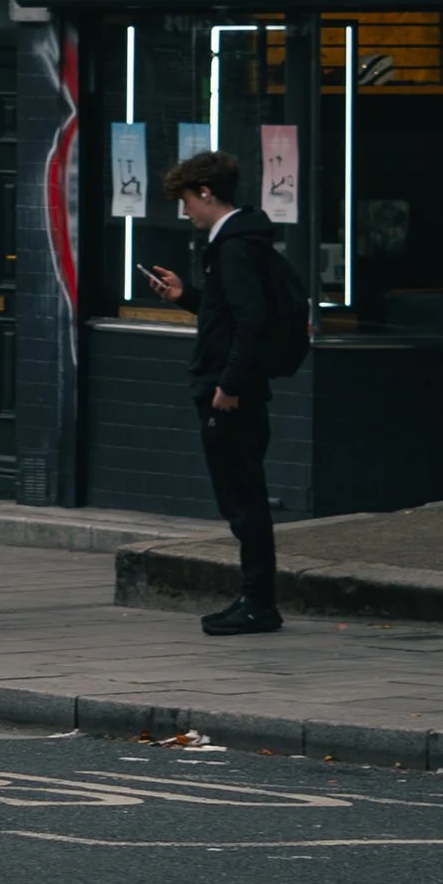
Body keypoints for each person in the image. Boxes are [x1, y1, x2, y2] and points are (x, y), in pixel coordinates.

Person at [138, 150, 282, 636]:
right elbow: (230, 315)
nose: (185, 213)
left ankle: (259, 603)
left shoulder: (234, 246)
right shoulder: (241, 241)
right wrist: (188, 298)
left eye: (186, 201)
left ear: (206, 193)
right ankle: (255, 598)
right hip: (231, 386)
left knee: (243, 500)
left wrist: (229, 385)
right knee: (243, 496)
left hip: (229, 394)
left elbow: (250, 321)